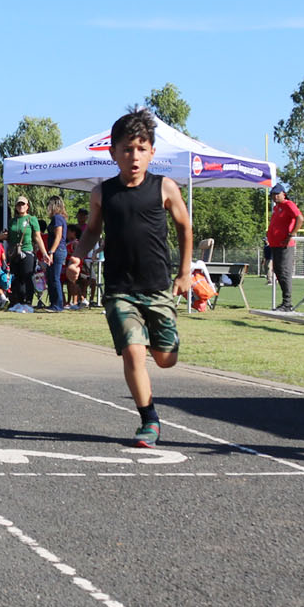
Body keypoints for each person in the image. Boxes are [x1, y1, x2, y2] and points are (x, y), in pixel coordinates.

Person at [73, 107, 193, 448]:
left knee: (166, 359)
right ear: (113, 152)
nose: (134, 156)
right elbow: (92, 231)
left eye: (141, 148)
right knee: (132, 353)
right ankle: (148, 420)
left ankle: (160, 347)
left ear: (152, 151)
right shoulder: (102, 193)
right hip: (119, 290)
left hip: (157, 288)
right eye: (127, 149)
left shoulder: (165, 188)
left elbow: (185, 227)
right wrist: (77, 258)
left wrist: (185, 272)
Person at [265, 183, 303, 311]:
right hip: (275, 245)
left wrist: (291, 234)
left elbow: (300, 218)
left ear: (283, 194)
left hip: (285, 245)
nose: (274, 197)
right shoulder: (277, 208)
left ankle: (287, 303)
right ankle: (284, 303)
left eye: (277, 194)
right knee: (279, 272)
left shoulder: (288, 204)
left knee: (284, 272)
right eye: (272, 195)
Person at [6, 195, 45, 312]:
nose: (21, 206)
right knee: (17, 277)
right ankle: (18, 301)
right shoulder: (12, 221)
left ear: (27, 206)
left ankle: (28, 302)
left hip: (27, 250)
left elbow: (38, 237)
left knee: (27, 276)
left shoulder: (32, 219)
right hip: (14, 252)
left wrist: (45, 253)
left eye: (23, 204)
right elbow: (9, 236)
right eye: (19, 204)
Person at [42, 197, 69, 312]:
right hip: (58, 250)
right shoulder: (58, 218)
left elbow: (58, 237)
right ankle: (54, 303)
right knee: (51, 277)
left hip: (57, 250)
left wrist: (51, 252)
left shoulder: (57, 218)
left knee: (55, 278)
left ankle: (57, 305)